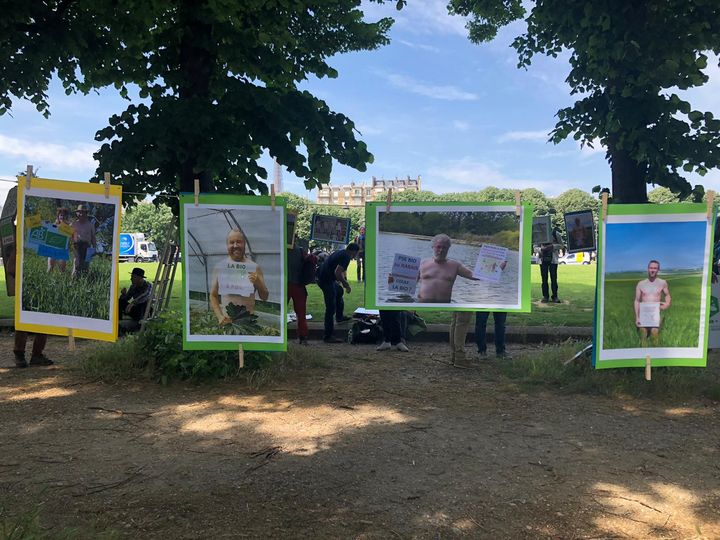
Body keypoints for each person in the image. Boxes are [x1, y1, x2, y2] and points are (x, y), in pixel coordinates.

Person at [210, 228, 269, 326]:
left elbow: (265, 297)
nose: (235, 245)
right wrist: (220, 316)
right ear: (227, 245)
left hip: (248, 323)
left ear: (244, 244)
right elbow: (213, 295)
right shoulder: (220, 267)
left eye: (239, 242)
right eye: (231, 242)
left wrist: (258, 282)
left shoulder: (254, 267)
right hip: (228, 323)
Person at [6, 245, 52, 367]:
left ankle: (37, 355)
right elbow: (11, 269)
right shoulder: (20, 246)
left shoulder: (43, 247)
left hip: (42, 291)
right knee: (23, 321)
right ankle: (20, 355)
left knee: (43, 321)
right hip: (26, 291)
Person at [316, 242, 359, 343]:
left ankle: (339, 317)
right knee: (330, 308)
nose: (356, 256)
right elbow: (338, 272)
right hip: (325, 280)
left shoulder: (341, 252)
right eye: (356, 253)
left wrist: (342, 284)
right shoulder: (346, 257)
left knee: (338, 291)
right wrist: (346, 284)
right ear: (353, 251)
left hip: (323, 277)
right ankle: (328, 336)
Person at [635, 260, 671, 346]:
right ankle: (643, 355)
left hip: (655, 314)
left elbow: (667, 295)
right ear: (648, 269)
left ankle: (656, 355)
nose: (652, 270)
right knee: (643, 334)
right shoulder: (641, 284)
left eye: (655, 268)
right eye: (651, 268)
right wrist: (637, 317)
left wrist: (667, 304)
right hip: (644, 314)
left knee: (654, 334)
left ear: (658, 270)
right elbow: (637, 301)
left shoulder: (662, 282)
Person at [287, 243, 313, 345]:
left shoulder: (282, 250)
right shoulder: (300, 250)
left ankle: (278, 334)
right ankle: (303, 336)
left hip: (285, 284)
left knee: (280, 311)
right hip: (299, 285)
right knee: (301, 313)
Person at [71, 204, 97, 278]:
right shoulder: (73, 224)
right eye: (79, 212)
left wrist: (94, 248)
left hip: (87, 247)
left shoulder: (90, 225)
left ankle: (85, 283)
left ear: (86, 213)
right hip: (77, 246)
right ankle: (72, 282)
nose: (81, 214)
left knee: (86, 266)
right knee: (76, 264)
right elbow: (63, 229)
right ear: (76, 213)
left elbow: (93, 237)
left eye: (83, 212)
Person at [539, 229, 563, 303]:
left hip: (553, 259)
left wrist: (552, 246)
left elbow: (561, 245)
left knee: (554, 278)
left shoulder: (556, 234)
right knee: (544, 279)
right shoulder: (539, 233)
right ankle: (545, 296)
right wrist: (541, 249)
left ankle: (555, 296)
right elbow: (535, 246)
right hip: (542, 259)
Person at [48, 207, 70, 272]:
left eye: (64, 215)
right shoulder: (54, 224)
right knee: (50, 268)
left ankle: (61, 282)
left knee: (62, 269)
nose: (62, 217)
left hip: (63, 249)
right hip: (53, 248)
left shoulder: (69, 226)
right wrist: (47, 224)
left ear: (66, 216)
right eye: (61, 215)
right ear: (58, 216)